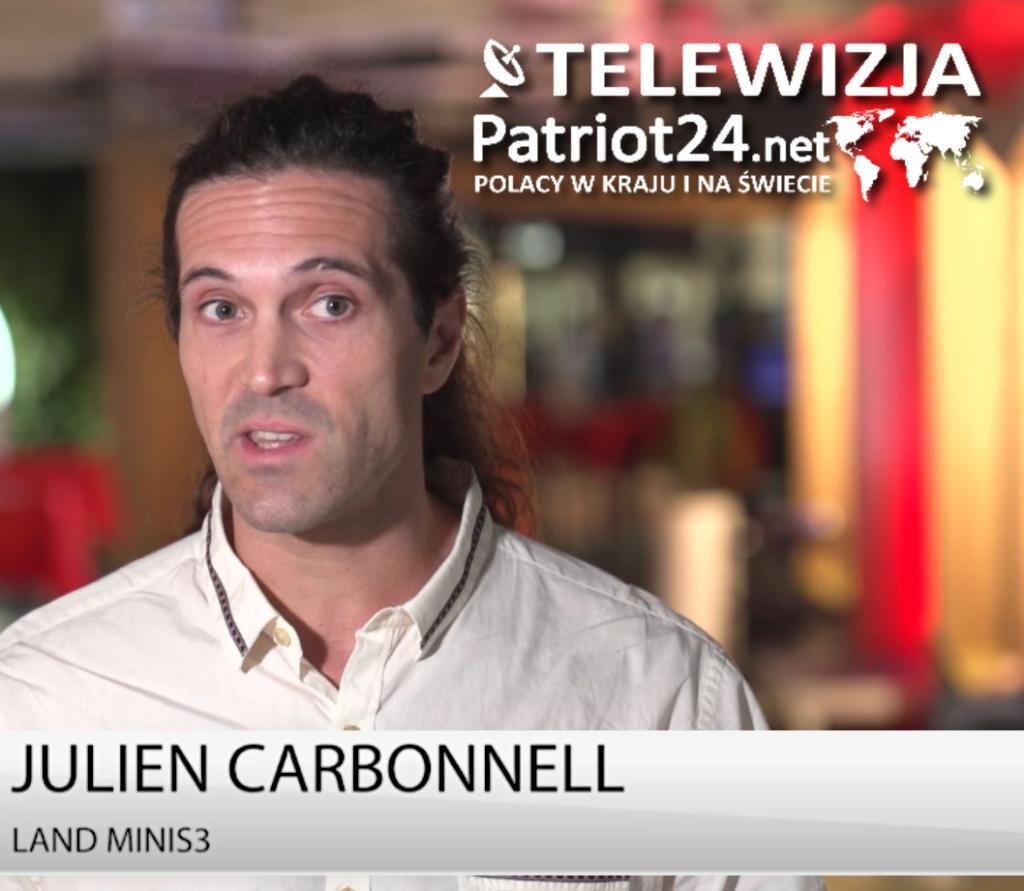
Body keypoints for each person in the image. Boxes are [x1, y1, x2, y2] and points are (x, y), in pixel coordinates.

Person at [0, 75, 824, 891]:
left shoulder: (658, 693)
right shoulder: (42, 702)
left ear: (439, 340)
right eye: (221, 309)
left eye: (329, 303)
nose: (264, 370)